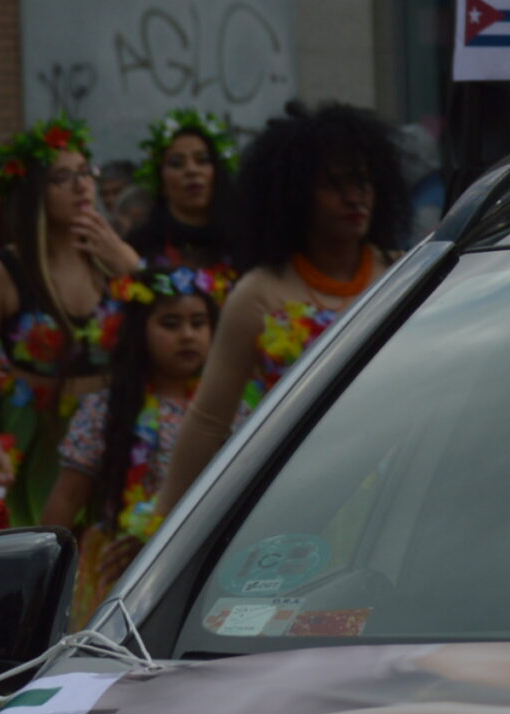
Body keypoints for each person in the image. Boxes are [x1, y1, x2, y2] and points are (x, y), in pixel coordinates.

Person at [155, 102, 410, 515]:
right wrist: (162, 534)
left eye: (363, 182)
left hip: (397, 498)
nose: (354, 197)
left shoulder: (406, 273)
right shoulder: (258, 293)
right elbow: (207, 423)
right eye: (335, 184)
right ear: (294, 195)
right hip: (294, 502)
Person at [0, 118, 141, 524]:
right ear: (34, 192)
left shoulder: (112, 256)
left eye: (85, 173)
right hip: (37, 434)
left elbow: (165, 326)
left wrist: (133, 268)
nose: (82, 186)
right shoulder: (2, 270)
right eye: (62, 178)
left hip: (112, 424)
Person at [41, 266, 218, 623]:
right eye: (170, 324)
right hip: (119, 568)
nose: (187, 335)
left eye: (198, 323)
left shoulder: (229, 410)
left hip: (205, 563)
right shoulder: (106, 409)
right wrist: (40, 577)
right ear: (140, 332)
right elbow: (67, 497)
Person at [127, 108, 237, 276]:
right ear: (161, 182)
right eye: (177, 163)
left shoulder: (243, 240)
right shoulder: (139, 246)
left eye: (203, 160)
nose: (192, 170)